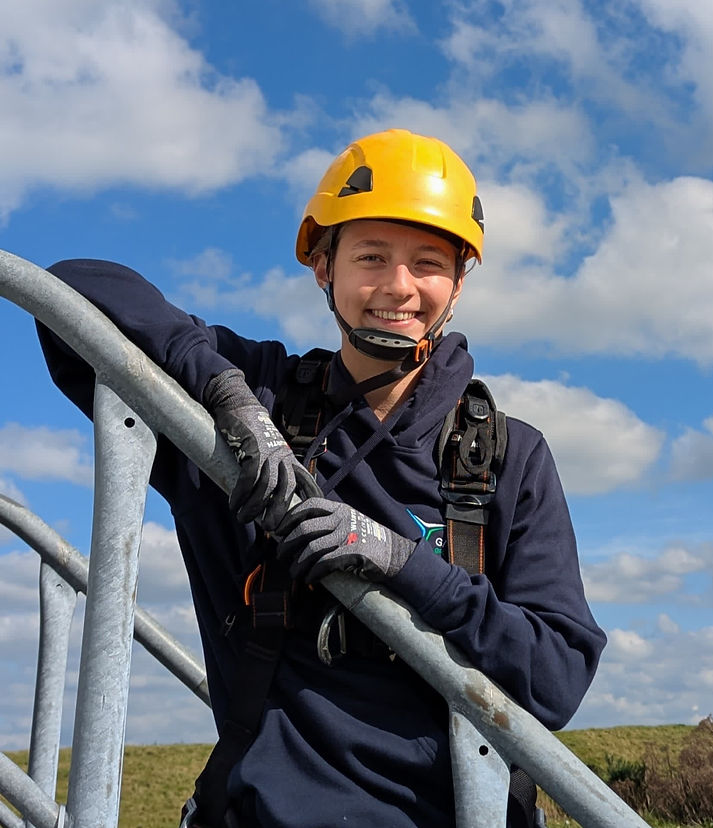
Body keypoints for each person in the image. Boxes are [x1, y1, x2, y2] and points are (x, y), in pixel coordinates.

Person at [37, 128, 606, 827]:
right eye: (371, 256)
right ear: (323, 268)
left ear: (458, 286)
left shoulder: (505, 457)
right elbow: (70, 288)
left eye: (428, 263)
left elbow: (557, 678)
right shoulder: (264, 399)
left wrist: (403, 564)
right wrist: (225, 392)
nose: (398, 288)